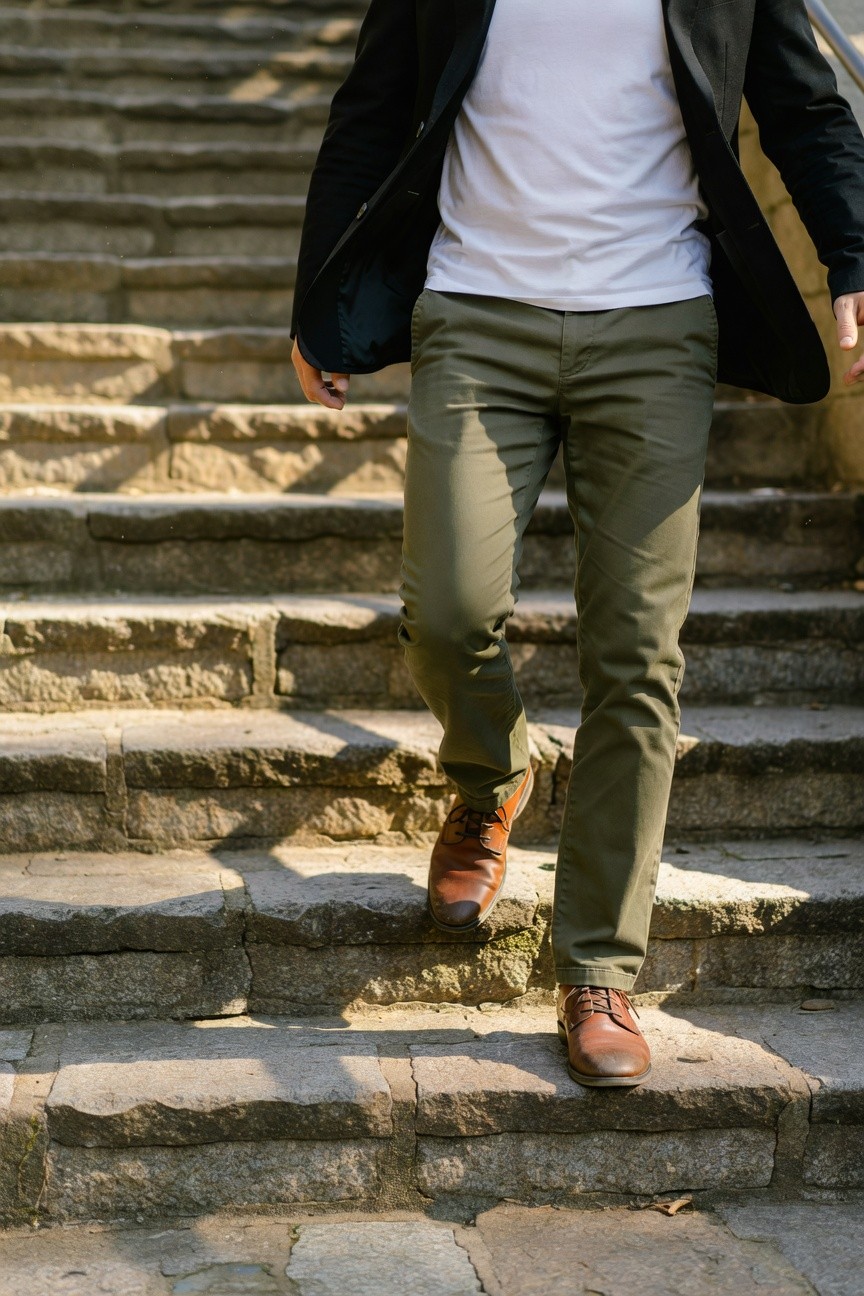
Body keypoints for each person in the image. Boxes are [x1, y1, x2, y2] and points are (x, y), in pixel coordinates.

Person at [291, 0, 864, 1087]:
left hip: (655, 322)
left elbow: (803, 106)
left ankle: (598, 967)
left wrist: (854, 256)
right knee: (448, 610)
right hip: (474, 310)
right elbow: (366, 114)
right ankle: (492, 774)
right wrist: (318, 296)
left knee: (637, 657)